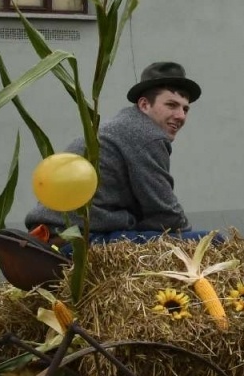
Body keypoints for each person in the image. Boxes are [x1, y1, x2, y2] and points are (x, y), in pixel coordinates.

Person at [24, 61, 209, 243]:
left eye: (185, 109)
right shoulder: (146, 135)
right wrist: (194, 246)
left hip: (51, 234)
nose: (181, 116)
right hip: (80, 239)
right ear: (144, 105)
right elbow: (167, 214)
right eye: (171, 105)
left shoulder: (121, 125)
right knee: (213, 241)